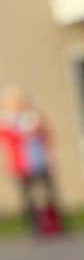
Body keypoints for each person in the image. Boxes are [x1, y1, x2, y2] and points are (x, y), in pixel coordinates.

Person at [0, 85, 62, 236]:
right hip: (21, 165)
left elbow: (46, 135)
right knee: (27, 198)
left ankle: (56, 225)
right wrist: (21, 134)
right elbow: (7, 139)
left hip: (40, 161)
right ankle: (35, 228)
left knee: (49, 194)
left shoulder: (33, 117)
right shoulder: (6, 121)